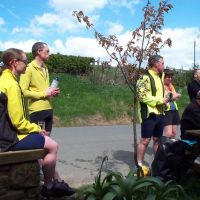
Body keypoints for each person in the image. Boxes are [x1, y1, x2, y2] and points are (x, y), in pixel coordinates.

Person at [0, 48, 75, 198]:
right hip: (8, 139)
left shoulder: (4, 79)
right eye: (25, 61)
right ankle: (48, 187)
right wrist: (35, 128)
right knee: (52, 146)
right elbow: (18, 122)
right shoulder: (12, 85)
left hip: (5, 133)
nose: (27, 65)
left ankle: (54, 182)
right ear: (14, 63)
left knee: (46, 140)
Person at [20, 42, 59, 136]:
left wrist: (52, 92)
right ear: (39, 52)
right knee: (40, 142)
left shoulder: (45, 68)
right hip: (37, 111)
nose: (49, 54)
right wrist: (44, 93)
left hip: (48, 108)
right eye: (47, 51)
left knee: (47, 139)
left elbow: (44, 89)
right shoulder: (28, 68)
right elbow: (23, 91)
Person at [136, 54, 169, 169]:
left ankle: (156, 165)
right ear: (156, 64)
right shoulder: (144, 77)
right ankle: (139, 165)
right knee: (145, 140)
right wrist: (160, 100)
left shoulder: (161, 76)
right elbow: (141, 96)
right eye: (163, 63)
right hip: (149, 114)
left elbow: (162, 95)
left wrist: (167, 100)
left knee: (157, 140)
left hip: (160, 114)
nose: (164, 65)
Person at [163, 69, 181, 138]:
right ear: (163, 77)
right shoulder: (161, 86)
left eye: (171, 77)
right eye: (168, 77)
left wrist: (173, 96)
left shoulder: (171, 86)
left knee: (174, 133)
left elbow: (177, 97)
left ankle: (171, 147)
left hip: (174, 110)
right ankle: (165, 148)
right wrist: (173, 96)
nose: (170, 79)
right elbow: (168, 97)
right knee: (168, 134)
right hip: (167, 111)